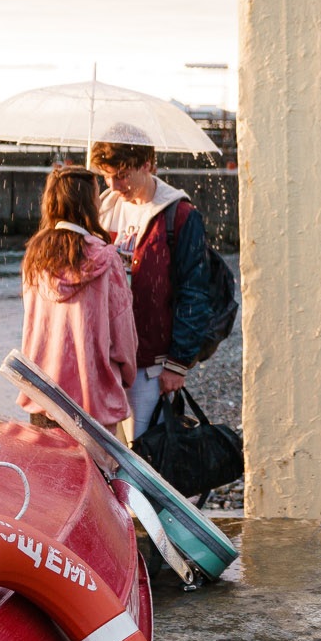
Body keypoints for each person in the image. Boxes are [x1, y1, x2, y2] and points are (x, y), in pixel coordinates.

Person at [88, 129, 220, 434]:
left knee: (146, 452)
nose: (113, 184)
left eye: (121, 174)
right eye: (107, 176)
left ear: (147, 164)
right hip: (104, 358)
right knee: (100, 455)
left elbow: (193, 292)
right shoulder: (102, 210)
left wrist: (178, 363)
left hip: (151, 362)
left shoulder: (180, 216)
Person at [16, 166, 138, 437]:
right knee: (96, 478)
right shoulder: (106, 259)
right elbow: (123, 337)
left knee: (50, 477)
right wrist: (126, 376)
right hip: (93, 399)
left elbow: (33, 323)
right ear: (90, 204)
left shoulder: (34, 257)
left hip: (44, 394)